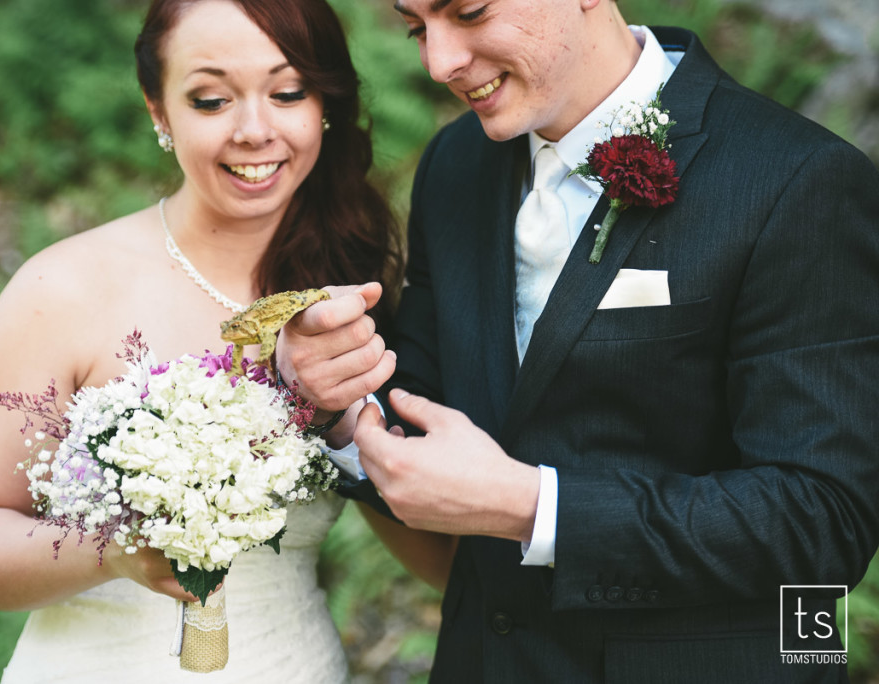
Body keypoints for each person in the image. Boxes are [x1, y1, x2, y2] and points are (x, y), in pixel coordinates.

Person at [276, 0, 879, 681]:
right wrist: (335, 406)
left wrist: (530, 507)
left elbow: (822, 518)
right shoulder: (455, 163)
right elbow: (424, 411)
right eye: (417, 27)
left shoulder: (797, 180)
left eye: (469, 12)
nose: (439, 62)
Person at [0, 0, 408, 680]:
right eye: (211, 100)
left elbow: (433, 547)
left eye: (288, 92)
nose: (254, 130)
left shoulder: (354, 294)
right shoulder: (64, 289)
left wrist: (339, 420)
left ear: (322, 101)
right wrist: (115, 549)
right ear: (159, 111)